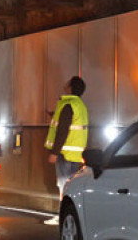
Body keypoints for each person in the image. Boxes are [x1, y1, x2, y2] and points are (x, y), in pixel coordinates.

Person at [43, 76, 89, 225]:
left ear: (70, 87)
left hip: (65, 154)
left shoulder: (68, 104)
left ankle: (63, 217)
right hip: (75, 154)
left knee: (64, 186)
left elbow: (63, 130)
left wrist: (54, 152)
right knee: (71, 186)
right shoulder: (79, 105)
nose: (65, 83)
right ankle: (71, 216)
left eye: (67, 82)